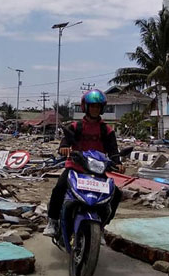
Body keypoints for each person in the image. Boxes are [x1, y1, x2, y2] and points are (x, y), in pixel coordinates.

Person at [44, 89, 125, 236]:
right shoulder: (76, 127)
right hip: (76, 168)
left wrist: (117, 162)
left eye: (97, 106)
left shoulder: (106, 130)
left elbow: (113, 150)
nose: (95, 109)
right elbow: (66, 140)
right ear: (86, 107)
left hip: (97, 171)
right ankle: (53, 221)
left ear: (102, 108)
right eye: (92, 106)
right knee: (59, 188)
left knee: (116, 194)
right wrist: (63, 148)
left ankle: (102, 225)